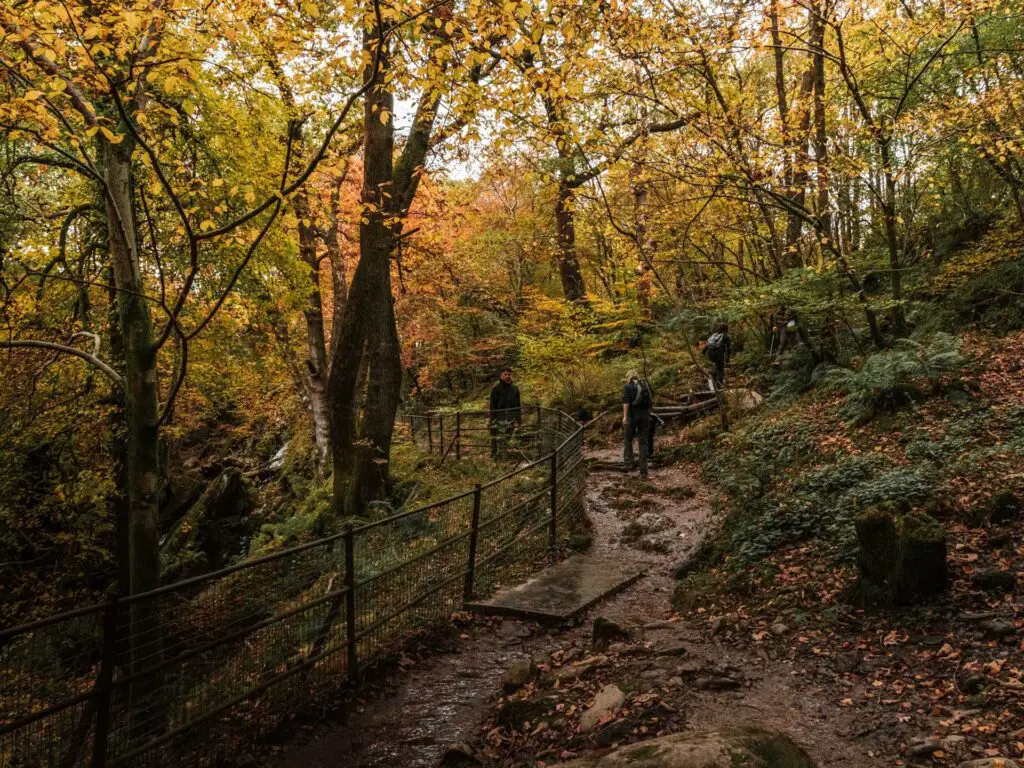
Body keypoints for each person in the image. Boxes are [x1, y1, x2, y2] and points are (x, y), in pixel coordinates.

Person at [622, 370, 652, 478]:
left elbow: (626, 402)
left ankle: (628, 464)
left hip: (632, 415)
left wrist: (625, 416)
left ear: (628, 376)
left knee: (628, 438)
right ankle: (644, 470)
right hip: (645, 416)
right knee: (643, 441)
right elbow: (650, 401)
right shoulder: (644, 385)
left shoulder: (627, 386)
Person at [489, 367, 521, 459]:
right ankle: (495, 455)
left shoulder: (515, 388)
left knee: (507, 436)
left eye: (509, 375)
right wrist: (493, 419)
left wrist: (518, 419)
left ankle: (503, 454)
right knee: (496, 436)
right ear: (501, 375)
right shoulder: (496, 389)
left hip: (511, 417)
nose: (507, 376)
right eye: (505, 374)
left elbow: (518, 405)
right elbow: (492, 406)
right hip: (499, 418)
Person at [703, 322, 731, 389]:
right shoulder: (725, 336)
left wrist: (703, 352)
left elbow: (707, 344)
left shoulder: (713, 335)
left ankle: (711, 386)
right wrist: (727, 358)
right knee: (720, 369)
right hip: (718, 353)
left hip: (710, 353)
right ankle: (719, 385)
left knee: (715, 367)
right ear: (726, 329)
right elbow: (728, 348)